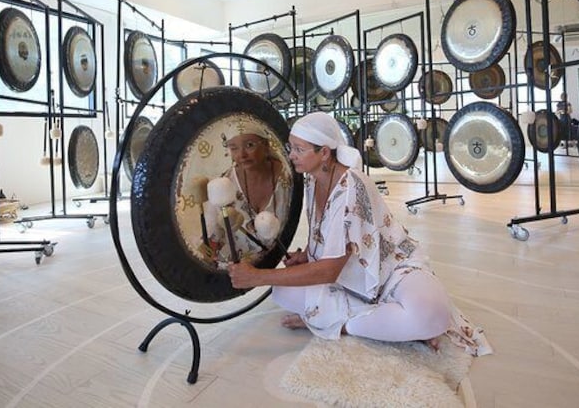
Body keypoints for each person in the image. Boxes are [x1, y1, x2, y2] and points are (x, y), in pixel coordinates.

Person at [228, 112, 491, 355]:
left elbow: (329, 270)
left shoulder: (352, 187)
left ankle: (335, 321)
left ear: (324, 153)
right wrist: (308, 254)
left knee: (433, 314)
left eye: (298, 149)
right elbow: (329, 232)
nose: (291, 155)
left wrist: (257, 276)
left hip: (392, 267)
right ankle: (385, 324)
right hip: (347, 277)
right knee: (281, 292)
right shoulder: (311, 180)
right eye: (291, 147)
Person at [201, 119, 292, 265]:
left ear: (266, 146)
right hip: (236, 268)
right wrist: (207, 258)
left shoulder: (288, 179)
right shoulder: (224, 183)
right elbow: (212, 235)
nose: (242, 155)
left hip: (278, 262)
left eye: (249, 145)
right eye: (234, 148)